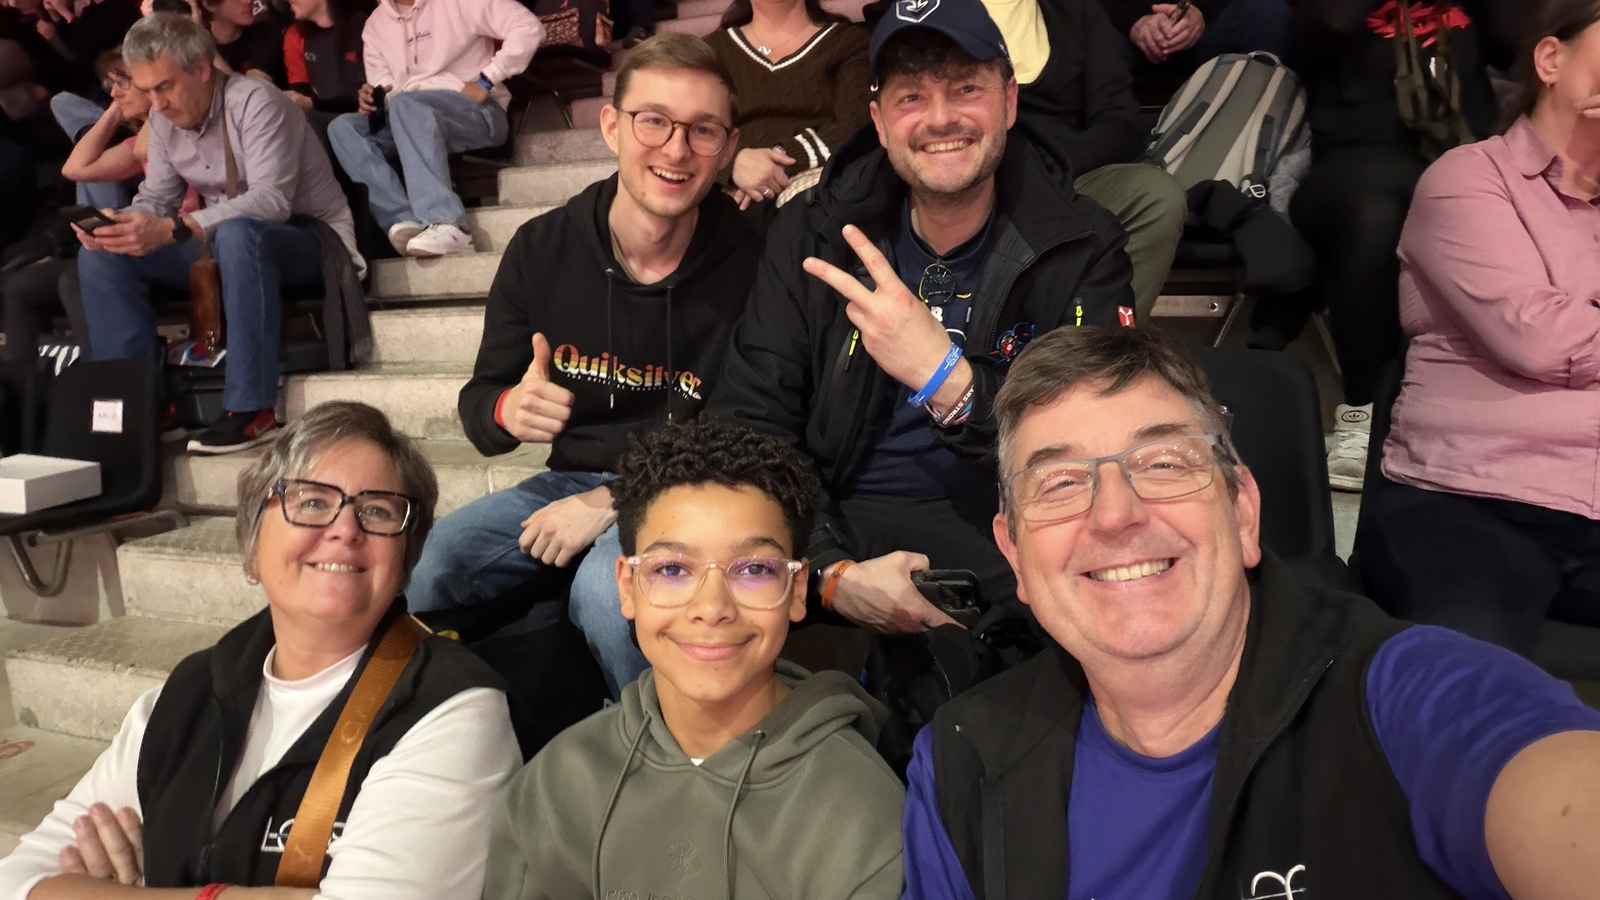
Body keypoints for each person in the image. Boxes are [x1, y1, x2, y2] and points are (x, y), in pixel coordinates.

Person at [901, 325, 1600, 899]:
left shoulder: (1403, 695)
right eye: (1058, 482)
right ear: (1014, 554)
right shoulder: (962, 758)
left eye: (1163, 462)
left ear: (1242, 513)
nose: (1114, 514)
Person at [0, 400, 522, 900]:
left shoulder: (451, 710)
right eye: (312, 502)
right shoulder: (185, 695)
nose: (345, 529)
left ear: (405, 559)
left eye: (377, 510)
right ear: (251, 543)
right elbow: (17, 878)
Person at [407, 33, 762, 699]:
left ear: (728, 146)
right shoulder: (542, 247)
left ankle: (661, 747)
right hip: (569, 479)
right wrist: (507, 408)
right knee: (432, 564)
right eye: (653, 121)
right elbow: (481, 404)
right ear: (611, 126)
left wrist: (612, 501)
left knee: (608, 591)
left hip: (696, 486)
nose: (676, 150)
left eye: (702, 130)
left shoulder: (754, 262)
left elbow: (751, 433)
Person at [480, 415, 906, 900]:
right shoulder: (556, 783)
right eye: (671, 569)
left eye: (754, 569)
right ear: (626, 586)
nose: (711, 607)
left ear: (796, 589)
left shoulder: (860, 813)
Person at [1355, 0, 1600, 659]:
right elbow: (1539, 338)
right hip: (1474, 500)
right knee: (1470, 673)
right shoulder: (1467, 178)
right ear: (1551, 60)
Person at [1250, 0, 1516, 491]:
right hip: (1349, 165)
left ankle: (1495, 417)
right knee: (1374, 215)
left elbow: (1515, 41)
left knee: (1493, 205)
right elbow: (1329, 23)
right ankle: (1362, 413)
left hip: (1464, 155)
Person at [73, 12, 364, 454]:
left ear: (201, 69)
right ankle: (141, 405)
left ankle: (252, 408)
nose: (157, 103)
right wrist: (125, 224)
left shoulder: (256, 101)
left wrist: (176, 228)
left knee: (240, 234)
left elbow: (271, 201)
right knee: (105, 253)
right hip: (222, 239)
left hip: (309, 237)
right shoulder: (164, 120)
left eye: (165, 87)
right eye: (147, 91)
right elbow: (158, 198)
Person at [969, 0, 1184, 321]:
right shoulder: (924, 13)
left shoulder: (1075, 10)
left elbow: (1120, 120)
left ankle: (1102, 346)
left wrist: (1054, 166)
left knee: (1156, 196)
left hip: (1064, 175)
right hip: (967, 177)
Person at [324, 0, 541, 258]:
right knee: (344, 128)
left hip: (476, 111)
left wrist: (487, 79)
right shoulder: (376, 23)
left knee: (407, 104)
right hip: (408, 115)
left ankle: (449, 223)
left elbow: (528, 28)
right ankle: (403, 219)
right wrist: (375, 99)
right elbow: (388, 87)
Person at [704, 0, 869, 215]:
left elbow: (855, 129)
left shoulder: (849, 42)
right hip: (727, 198)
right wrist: (734, 161)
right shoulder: (711, 50)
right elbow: (695, 128)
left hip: (817, 196)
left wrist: (778, 159)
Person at [1099, 0, 1290, 95]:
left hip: (1208, 29)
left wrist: (1198, 11)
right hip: (1120, 31)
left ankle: (1263, 137)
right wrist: (1135, 21)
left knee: (1266, 12)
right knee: (1087, 34)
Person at [281, 0, 366, 119]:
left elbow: (367, 95)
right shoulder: (295, 34)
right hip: (318, 118)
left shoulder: (364, 26)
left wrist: (312, 104)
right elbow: (300, 92)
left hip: (361, 118)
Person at [201, 0, 287, 85]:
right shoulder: (198, 46)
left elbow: (252, 89)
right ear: (209, 4)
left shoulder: (266, 34)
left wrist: (205, 46)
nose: (248, 1)